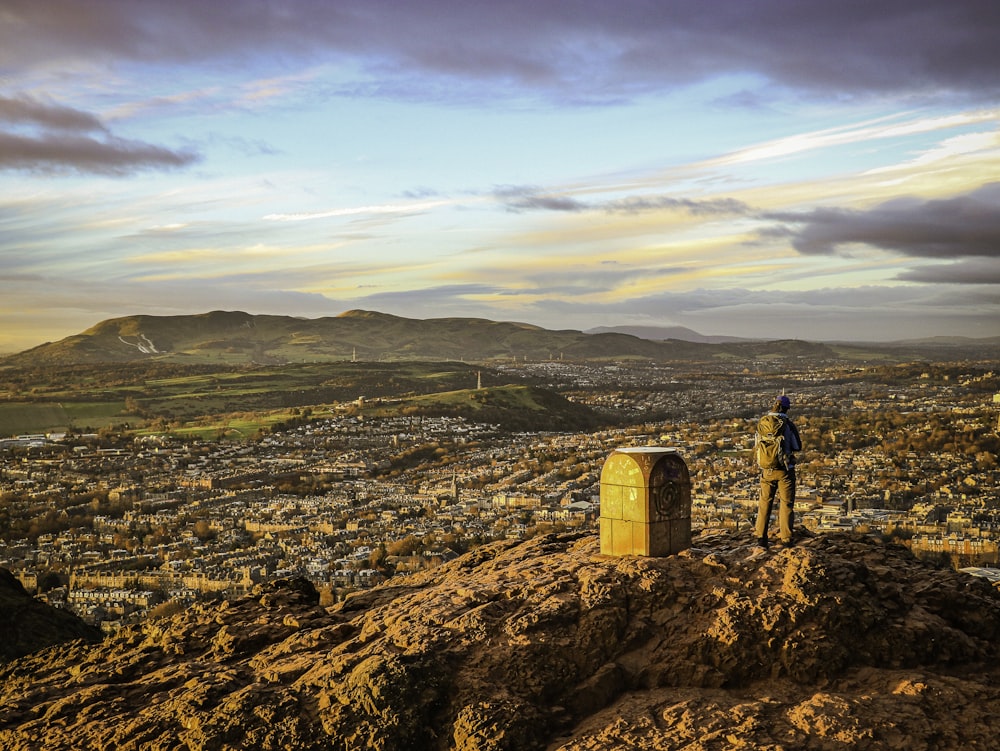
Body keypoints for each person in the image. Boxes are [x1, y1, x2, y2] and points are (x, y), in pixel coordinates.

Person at [754, 395, 802, 550]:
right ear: (787, 409)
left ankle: (760, 537)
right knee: (786, 504)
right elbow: (797, 446)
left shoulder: (762, 423)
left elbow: (757, 445)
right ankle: (786, 539)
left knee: (764, 503)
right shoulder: (787, 424)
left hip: (766, 470)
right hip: (785, 470)